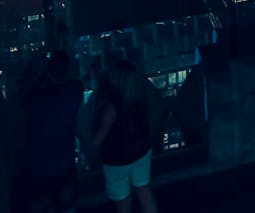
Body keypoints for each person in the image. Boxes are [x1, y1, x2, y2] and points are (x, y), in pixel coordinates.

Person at [20, 49, 84, 213]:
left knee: (42, 206)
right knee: (67, 205)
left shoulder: (37, 101)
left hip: (39, 166)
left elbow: (23, 95)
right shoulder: (75, 91)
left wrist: (37, 71)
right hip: (65, 161)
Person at [91, 60, 156, 213]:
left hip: (117, 160)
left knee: (123, 201)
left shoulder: (112, 107)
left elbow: (98, 139)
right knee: (144, 192)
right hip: (141, 152)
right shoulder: (138, 97)